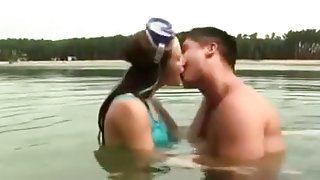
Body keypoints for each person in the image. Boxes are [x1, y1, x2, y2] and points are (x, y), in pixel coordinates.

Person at [180, 27, 286, 179]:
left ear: (210, 48)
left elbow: (241, 173)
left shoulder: (237, 106)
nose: (179, 60)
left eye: (184, 50)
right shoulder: (213, 100)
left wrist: (168, 160)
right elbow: (192, 142)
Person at [97, 17, 184, 166]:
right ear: (160, 66)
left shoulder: (151, 103)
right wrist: (225, 166)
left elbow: (180, 136)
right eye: (178, 58)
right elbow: (148, 157)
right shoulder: (129, 106)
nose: (184, 62)